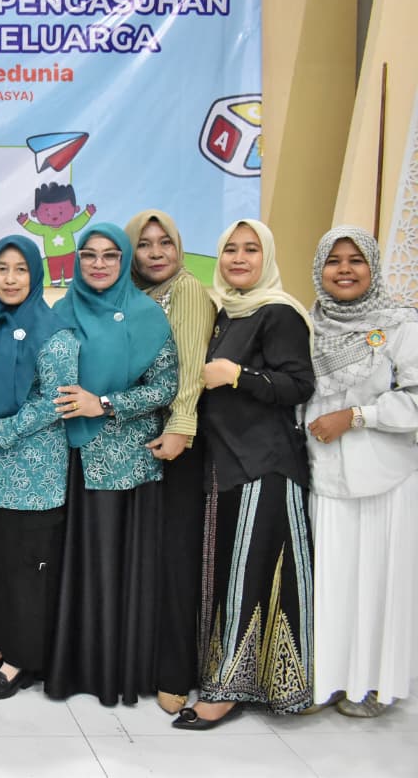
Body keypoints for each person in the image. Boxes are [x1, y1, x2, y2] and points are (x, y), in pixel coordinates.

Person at [174, 219, 314, 729]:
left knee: (250, 575)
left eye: (250, 249)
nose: (238, 258)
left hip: (265, 464)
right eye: (230, 249)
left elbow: (298, 385)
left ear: (266, 257)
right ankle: (232, 679)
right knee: (230, 574)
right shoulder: (225, 313)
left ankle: (226, 691)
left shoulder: (278, 312)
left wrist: (238, 375)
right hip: (226, 464)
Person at [44, 222, 178, 708]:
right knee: (67, 564)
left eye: (110, 255)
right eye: (89, 255)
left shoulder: (147, 316)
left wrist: (103, 403)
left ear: (124, 261)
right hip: (64, 458)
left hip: (123, 463)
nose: (98, 264)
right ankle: (67, 666)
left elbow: (165, 387)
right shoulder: (61, 311)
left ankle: (111, 671)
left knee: (110, 566)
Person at [304, 226, 418, 718]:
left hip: (382, 478)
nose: (344, 269)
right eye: (334, 260)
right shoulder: (309, 323)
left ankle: (370, 684)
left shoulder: (400, 324)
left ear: (373, 267)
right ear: (319, 269)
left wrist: (355, 416)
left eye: (356, 260)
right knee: (329, 584)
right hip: (322, 477)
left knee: (376, 583)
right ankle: (326, 680)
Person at [0, 235, 75, 700]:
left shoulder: (55, 334)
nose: (10, 279)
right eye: (2, 269)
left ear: (35, 275)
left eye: (20, 269)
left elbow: (58, 401)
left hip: (32, 474)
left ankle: (22, 659)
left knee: (26, 570)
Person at [125, 210, 216, 714]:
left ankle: (175, 672)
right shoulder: (129, 294)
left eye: (166, 242)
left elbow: (191, 366)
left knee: (176, 560)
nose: (157, 252)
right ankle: (139, 662)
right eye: (145, 243)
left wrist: (180, 425)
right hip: (137, 441)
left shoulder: (186, 291)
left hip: (176, 442)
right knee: (147, 558)